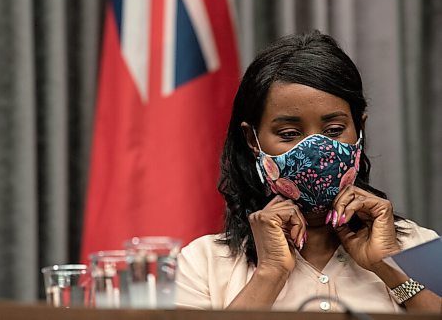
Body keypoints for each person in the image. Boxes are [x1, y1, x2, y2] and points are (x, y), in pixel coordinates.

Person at [175, 31, 441, 313]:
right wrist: (270, 274)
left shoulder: (420, 246)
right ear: (253, 140)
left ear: (359, 129)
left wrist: (390, 265)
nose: (315, 149)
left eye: (334, 131)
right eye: (289, 133)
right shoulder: (202, 263)